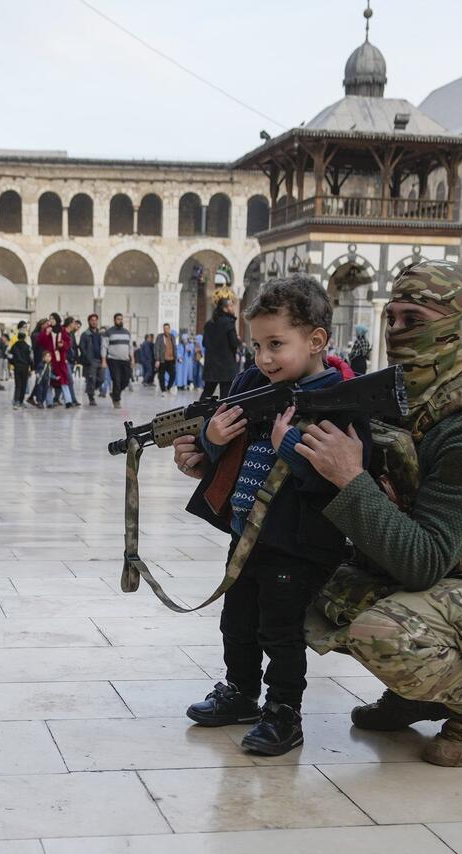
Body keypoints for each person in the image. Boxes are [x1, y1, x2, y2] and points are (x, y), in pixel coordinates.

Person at [205, 259, 462, 767]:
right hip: (446, 561)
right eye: (394, 319)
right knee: (294, 579)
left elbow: (421, 561)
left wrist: (350, 478)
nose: (399, 333)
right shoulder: (406, 394)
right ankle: (420, 692)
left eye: (416, 321)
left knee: (384, 632)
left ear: (458, 327)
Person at [172, 275, 350, 756]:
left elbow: (335, 481)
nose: (264, 358)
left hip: (298, 543)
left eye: (277, 344)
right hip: (247, 535)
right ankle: (241, 693)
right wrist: (210, 438)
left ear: (316, 341)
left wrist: (288, 444)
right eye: (257, 345)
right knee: (237, 620)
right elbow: (222, 445)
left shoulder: (341, 396)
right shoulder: (254, 383)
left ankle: (283, 713)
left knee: (281, 631)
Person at [201, 297, 241, 399]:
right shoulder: (229, 322)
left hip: (211, 366)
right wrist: (238, 340)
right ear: (225, 308)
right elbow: (234, 343)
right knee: (225, 396)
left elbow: (204, 343)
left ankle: (196, 413)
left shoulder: (209, 324)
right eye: (231, 305)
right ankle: (223, 414)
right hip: (226, 366)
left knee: (207, 393)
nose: (233, 308)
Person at [104, 313, 136, 408]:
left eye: (121, 319)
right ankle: (116, 400)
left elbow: (130, 347)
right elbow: (104, 346)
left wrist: (133, 359)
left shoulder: (127, 332)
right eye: (118, 319)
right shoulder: (109, 332)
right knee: (116, 380)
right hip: (113, 360)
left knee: (126, 380)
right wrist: (103, 360)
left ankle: (114, 393)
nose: (120, 321)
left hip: (125, 360)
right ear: (114, 320)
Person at [79, 313, 105, 405]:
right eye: (92, 320)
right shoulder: (85, 334)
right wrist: (87, 357)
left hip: (100, 360)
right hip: (91, 360)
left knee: (102, 379)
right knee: (91, 379)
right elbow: (82, 347)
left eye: (95, 320)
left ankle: (90, 389)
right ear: (89, 322)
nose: (94, 322)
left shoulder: (101, 334)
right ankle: (91, 398)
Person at [8, 325, 33, 409]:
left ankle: (16, 400)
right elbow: (31, 358)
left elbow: (9, 356)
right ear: (25, 337)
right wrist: (31, 367)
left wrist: (13, 363)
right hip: (25, 367)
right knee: (24, 384)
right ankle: (21, 401)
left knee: (17, 384)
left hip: (17, 367)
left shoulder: (14, 346)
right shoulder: (28, 347)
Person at [155, 322, 178, 392]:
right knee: (161, 375)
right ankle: (163, 390)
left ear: (169, 329)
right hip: (162, 360)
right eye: (164, 328)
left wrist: (176, 357)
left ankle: (168, 387)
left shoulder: (172, 337)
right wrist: (157, 359)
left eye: (167, 328)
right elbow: (156, 348)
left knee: (173, 374)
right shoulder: (160, 337)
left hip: (171, 359)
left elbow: (174, 347)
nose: (166, 330)